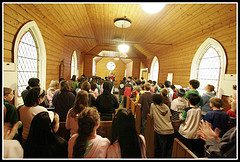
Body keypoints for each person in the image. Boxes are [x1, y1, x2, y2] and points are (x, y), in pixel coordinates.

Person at [178, 93, 205, 157]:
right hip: (195, 133)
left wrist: (179, 115)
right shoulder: (199, 109)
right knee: (192, 152)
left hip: (185, 133)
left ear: (189, 101)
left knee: (184, 151)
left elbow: (181, 119)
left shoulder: (186, 110)